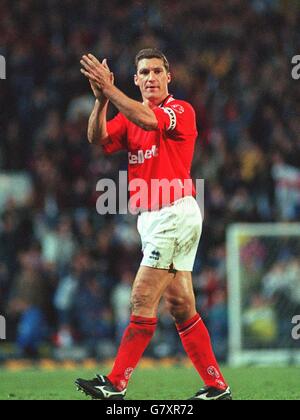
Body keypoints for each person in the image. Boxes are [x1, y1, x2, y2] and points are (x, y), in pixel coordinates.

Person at [76, 48, 231, 401]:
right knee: (180, 305)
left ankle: (116, 383)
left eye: (157, 71)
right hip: (151, 219)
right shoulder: (128, 115)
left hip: (174, 212)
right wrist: (101, 101)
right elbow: (96, 138)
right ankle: (218, 387)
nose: (150, 77)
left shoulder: (180, 110)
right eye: (144, 72)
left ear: (168, 77)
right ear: (135, 79)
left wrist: (111, 91)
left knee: (142, 296)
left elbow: (150, 121)